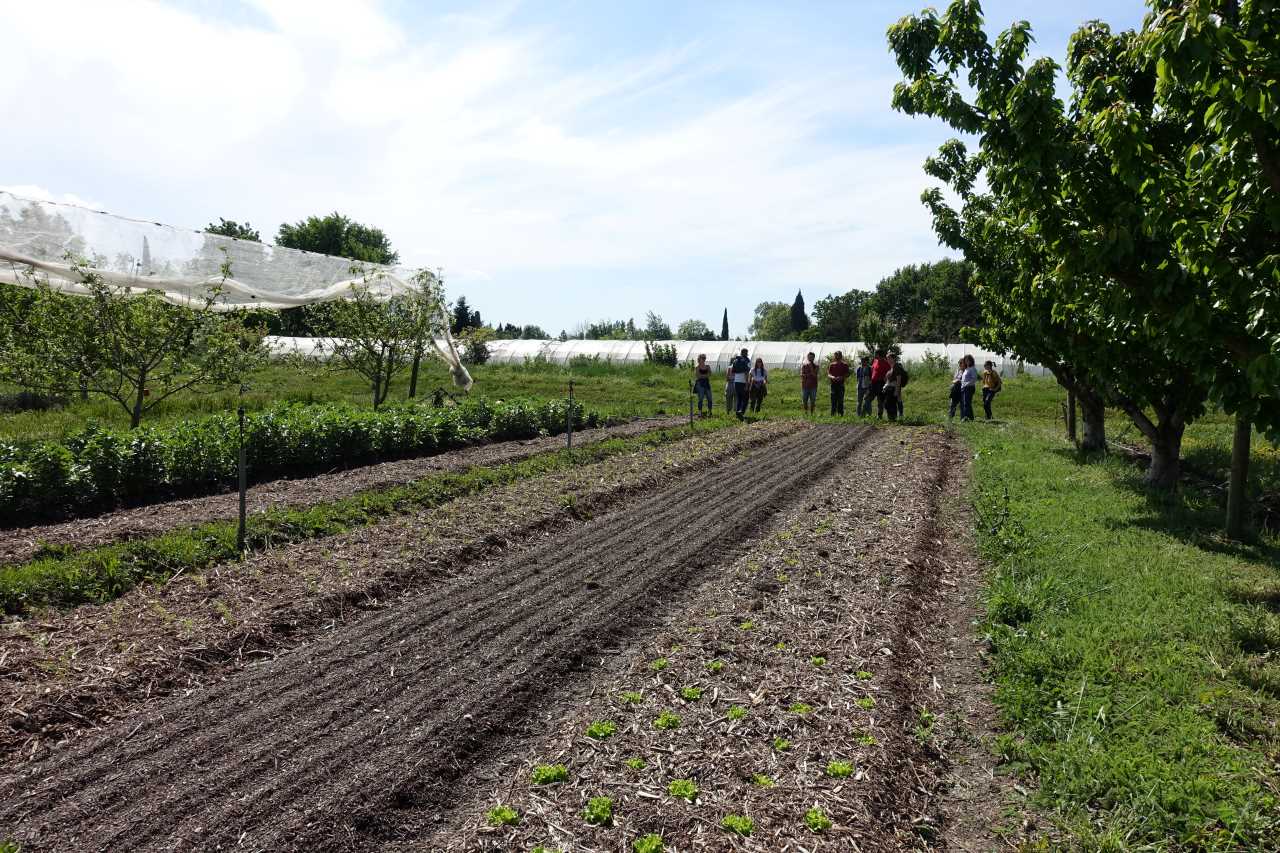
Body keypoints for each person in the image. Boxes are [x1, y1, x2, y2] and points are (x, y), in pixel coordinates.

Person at [729, 347, 751, 420]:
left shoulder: (735, 361)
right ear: (746, 353)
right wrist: (747, 383)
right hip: (743, 381)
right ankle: (741, 412)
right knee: (746, 398)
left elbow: (732, 371)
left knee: (739, 398)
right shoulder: (746, 360)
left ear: (741, 353)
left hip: (736, 382)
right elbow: (746, 372)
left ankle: (737, 413)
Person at [882, 353, 905, 421]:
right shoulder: (891, 367)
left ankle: (898, 416)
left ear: (894, 358)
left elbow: (899, 379)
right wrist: (885, 386)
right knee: (893, 402)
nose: (888, 360)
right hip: (890, 388)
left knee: (895, 401)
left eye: (889, 358)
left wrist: (897, 390)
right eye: (887, 358)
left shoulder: (896, 367)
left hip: (894, 388)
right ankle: (894, 417)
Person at [827, 350, 850, 416]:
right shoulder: (832, 364)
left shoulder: (845, 365)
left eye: (838, 355)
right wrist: (832, 377)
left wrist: (842, 377)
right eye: (836, 355)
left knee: (840, 400)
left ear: (841, 356)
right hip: (833, 385)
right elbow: (828, 374)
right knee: (833, 400)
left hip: (840, 384)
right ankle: (832, 415)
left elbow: (848, 374)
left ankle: (840, 414)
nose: (837, 356)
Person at [869, 349, 890, 418]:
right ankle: (866, 414)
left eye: (875, 354)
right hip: (873, 383)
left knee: (880, 400)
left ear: (879, 354)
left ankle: (879, 415)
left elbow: (889, 373)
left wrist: (886, 381)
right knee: (869, 398)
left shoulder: (885, 363)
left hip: (881, 383)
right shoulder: (875, 361)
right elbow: (872, 370)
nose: (874, 355)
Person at [960, 355, 978, 421]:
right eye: (966, 360)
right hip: (964, 388)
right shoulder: (966, 369)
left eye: (968, 360)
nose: (967, 362)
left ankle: (968, 418)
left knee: (967, 403)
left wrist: (966, 384)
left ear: (971, 361)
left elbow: (974, 379)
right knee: (965, 403)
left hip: (969, 388)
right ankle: (968, 417)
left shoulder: (972, 368)